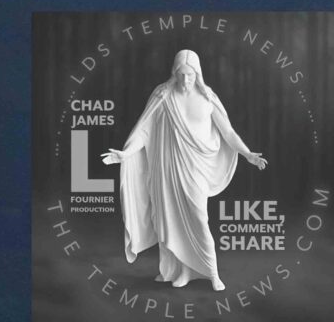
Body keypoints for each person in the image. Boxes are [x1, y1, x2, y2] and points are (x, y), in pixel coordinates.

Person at [102, 49, 268, 291]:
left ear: (198, 74)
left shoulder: (208, 98)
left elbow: (228, 132)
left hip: (196, 169)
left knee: (199, 218)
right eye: (181, 74)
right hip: (168, 169)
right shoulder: (163, 96)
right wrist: (125, 154)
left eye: (190, 75)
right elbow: (144, 131)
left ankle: (212, 273)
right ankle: (182, 271)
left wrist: (247, 153)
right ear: (174, 72)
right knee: (171, 219)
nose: (185, 80)